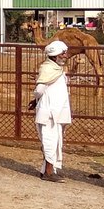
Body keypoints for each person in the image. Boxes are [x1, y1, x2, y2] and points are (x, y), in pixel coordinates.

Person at [28, 40, 72, 182]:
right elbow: (40, 89)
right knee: (50, 141)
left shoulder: (57, 69)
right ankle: (48, 173)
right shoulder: (47, 69)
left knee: (55, 140)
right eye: (62, 53)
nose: (65, 56)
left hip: (57, 111)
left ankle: (47, 170)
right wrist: (36, 99)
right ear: (54, 55)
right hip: (49, 112)